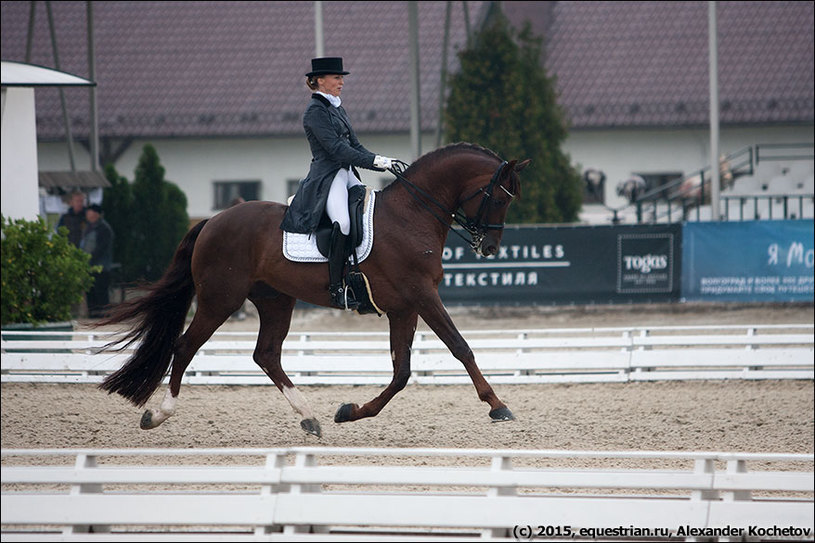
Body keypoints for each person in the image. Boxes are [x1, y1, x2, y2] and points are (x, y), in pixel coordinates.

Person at [280, 56, 399, 309]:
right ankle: (336, 288)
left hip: (347, 174)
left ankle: (364, 276)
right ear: (320, 80)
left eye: (341, 77)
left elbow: (354, 145)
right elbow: (336, 149)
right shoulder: (314, 112)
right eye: (337, 78)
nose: (341, 82)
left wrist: (381, 159)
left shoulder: (337, 108)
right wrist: (375, 162)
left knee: (372, 214)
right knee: (342, 223)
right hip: (327, 176)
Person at [80, 204, 115, 318]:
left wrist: (89, 259)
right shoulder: (88, 227)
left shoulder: (104, 229)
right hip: (88, 266)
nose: (88, 215)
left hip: (101, 267)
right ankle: (93, 316)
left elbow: (101, 249)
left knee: (101, 293)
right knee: (91, 293)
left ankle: (103, 318)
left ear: (96, 214)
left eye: (90, 213)